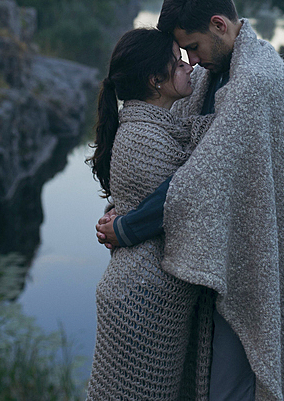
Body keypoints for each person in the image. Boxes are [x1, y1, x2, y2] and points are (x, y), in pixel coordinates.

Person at [96, 0, 284, 401]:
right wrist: (125, 203)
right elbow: (174, 151)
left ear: (219, 25)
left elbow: (200, 179)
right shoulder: (215, 73)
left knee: (232, 390)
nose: (190, 59)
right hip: (211, 255)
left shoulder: (258, 81)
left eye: (192, 47)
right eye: (182, 52)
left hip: (251, 262)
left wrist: (129, 227)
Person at [85, 27, 216, 401]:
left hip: (151, 297)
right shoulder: (142, 138)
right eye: (178, 64)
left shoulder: (157, 127)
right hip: (141, 302)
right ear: (155, 81)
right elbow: (192, 187)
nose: (189, 67)